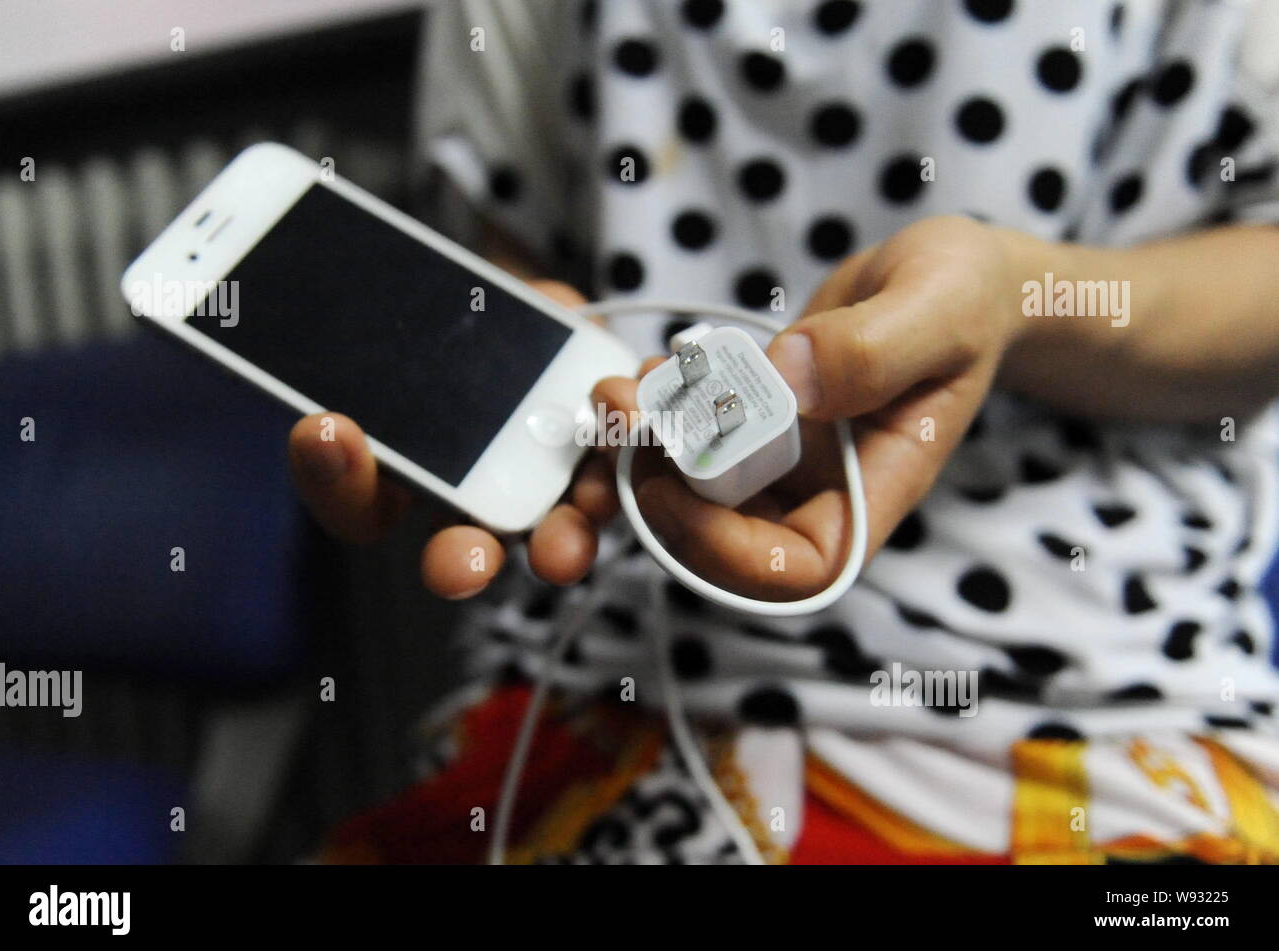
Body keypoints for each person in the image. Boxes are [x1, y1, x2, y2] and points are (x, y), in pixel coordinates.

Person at [300, 0, 1279, 863]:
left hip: (1092, 669)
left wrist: (1014, 299)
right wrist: (478, 383)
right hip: (608, 649)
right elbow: (525, 262)